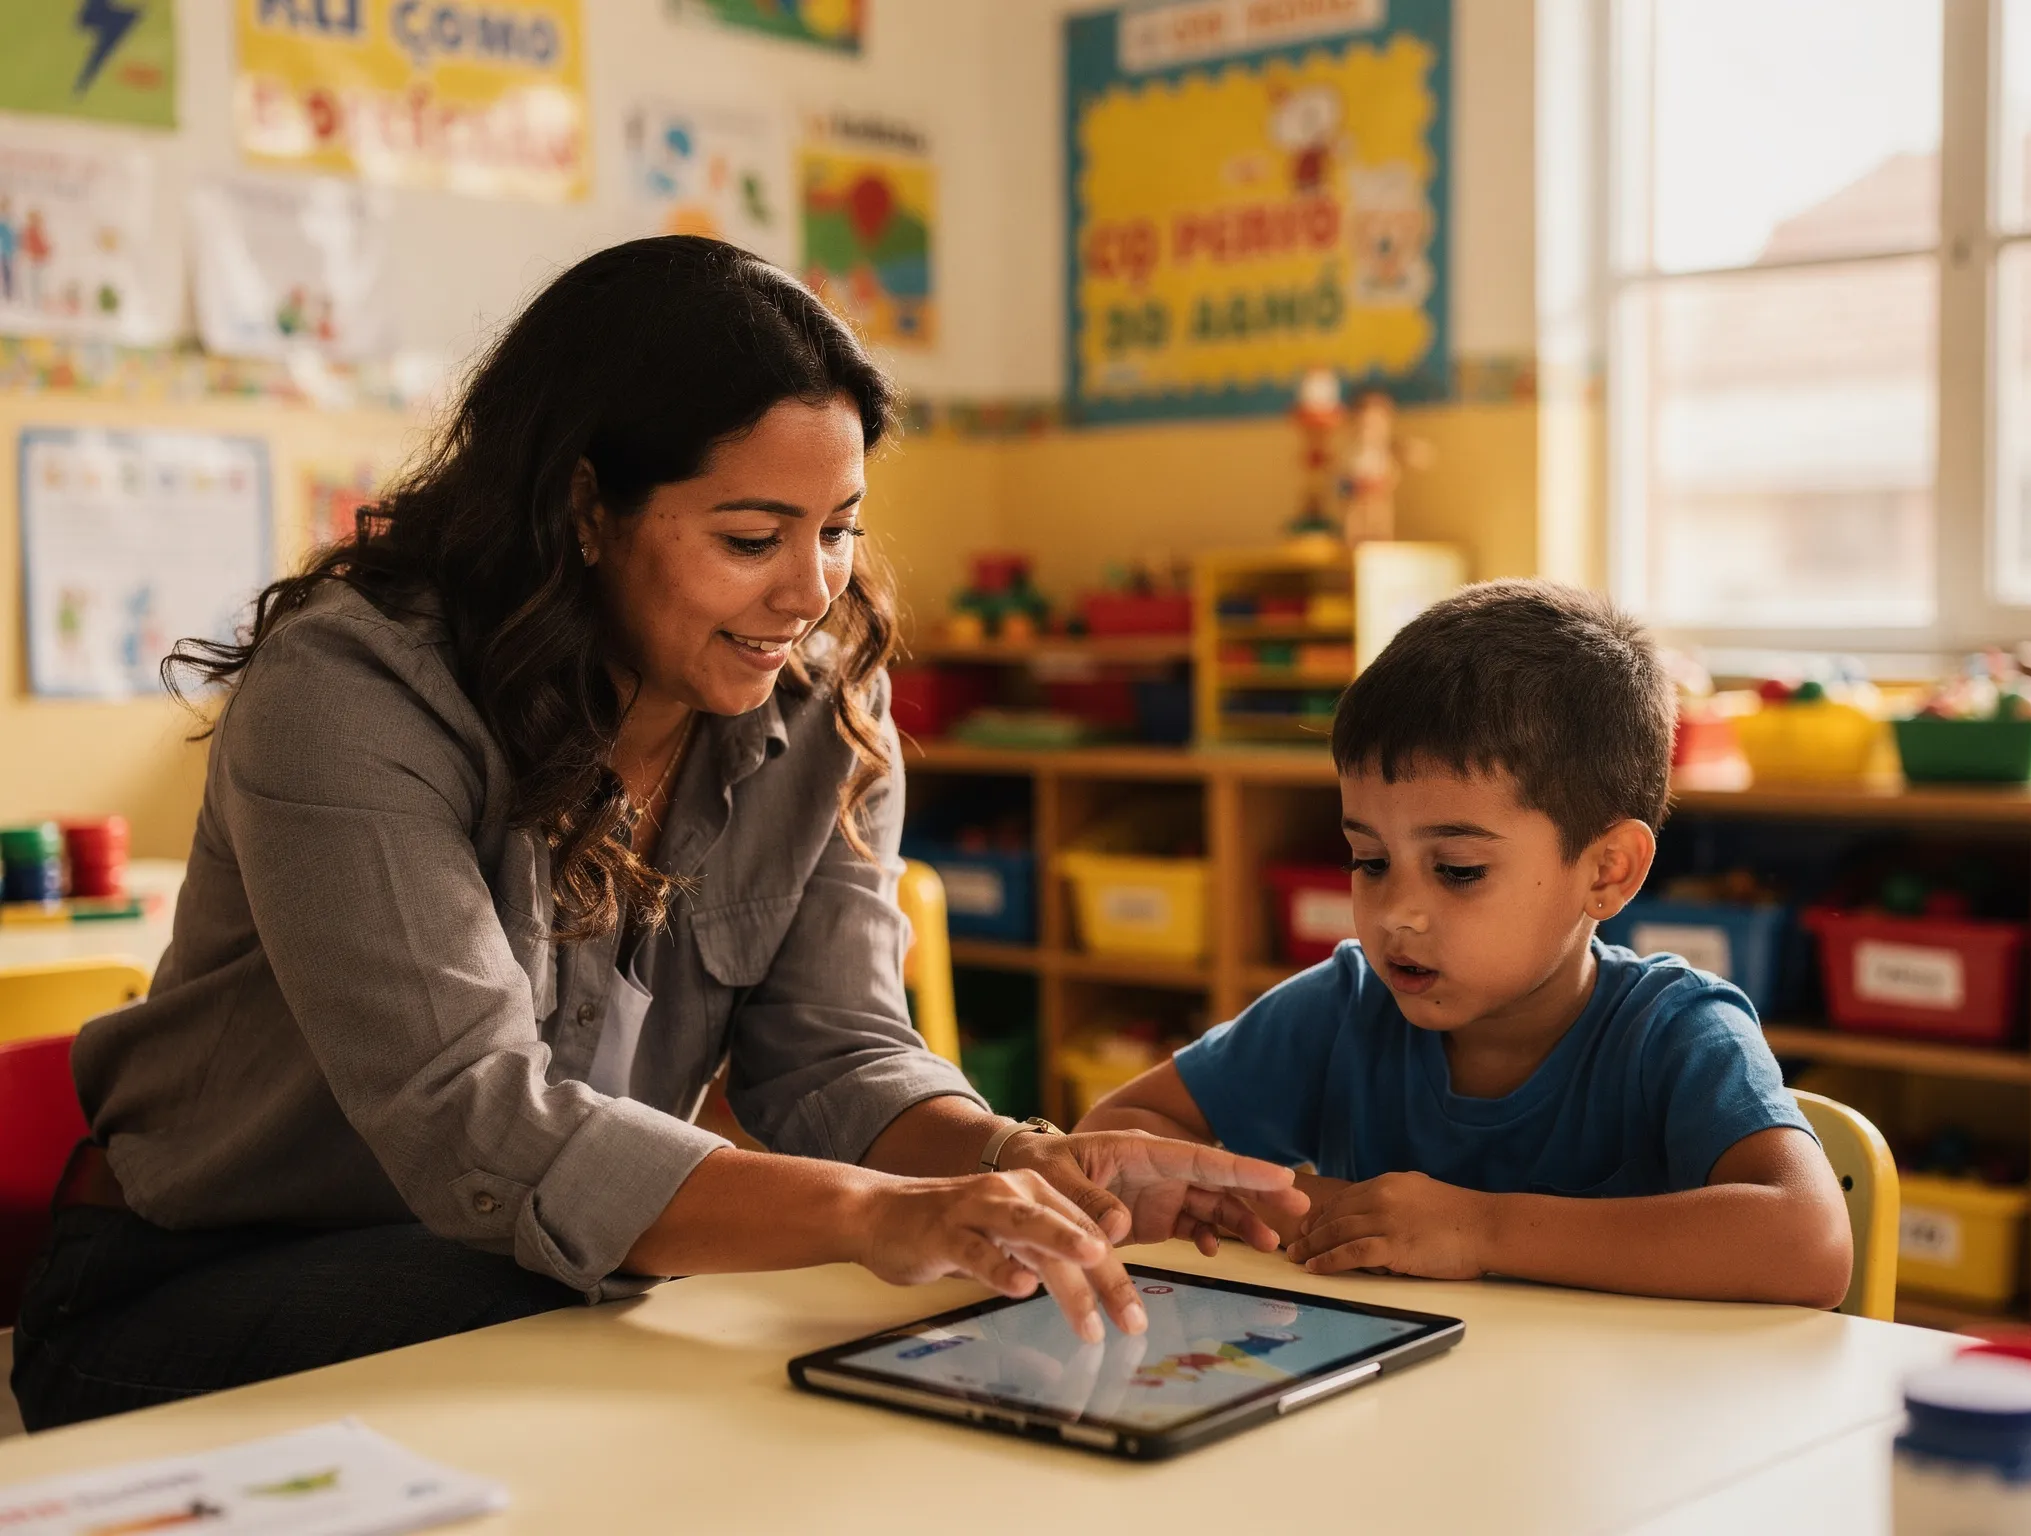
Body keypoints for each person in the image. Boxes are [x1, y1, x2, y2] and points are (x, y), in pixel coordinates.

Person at [12, 238, 1306, 1430]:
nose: (809, 592)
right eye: (753, 538)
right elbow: (480, 1127)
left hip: (519, 1276)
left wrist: (1024, 1171)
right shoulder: (353, 692)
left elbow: (836, 1055)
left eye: (840, 531)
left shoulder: (820, 702)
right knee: (672, 1354)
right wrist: (878, 1213)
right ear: (586, 511)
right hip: (193, 1288)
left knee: (759, 1342)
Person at [1078, 581, 1852, 1307]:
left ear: (1607, 872)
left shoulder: (1675, 1033)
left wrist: (1479, 1230)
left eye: (1458, 870)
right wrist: (1330, 1206)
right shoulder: (1344, 1009)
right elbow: (1119, 1140)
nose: (1396, 915)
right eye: (1370, 861)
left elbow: (1809, 1242)